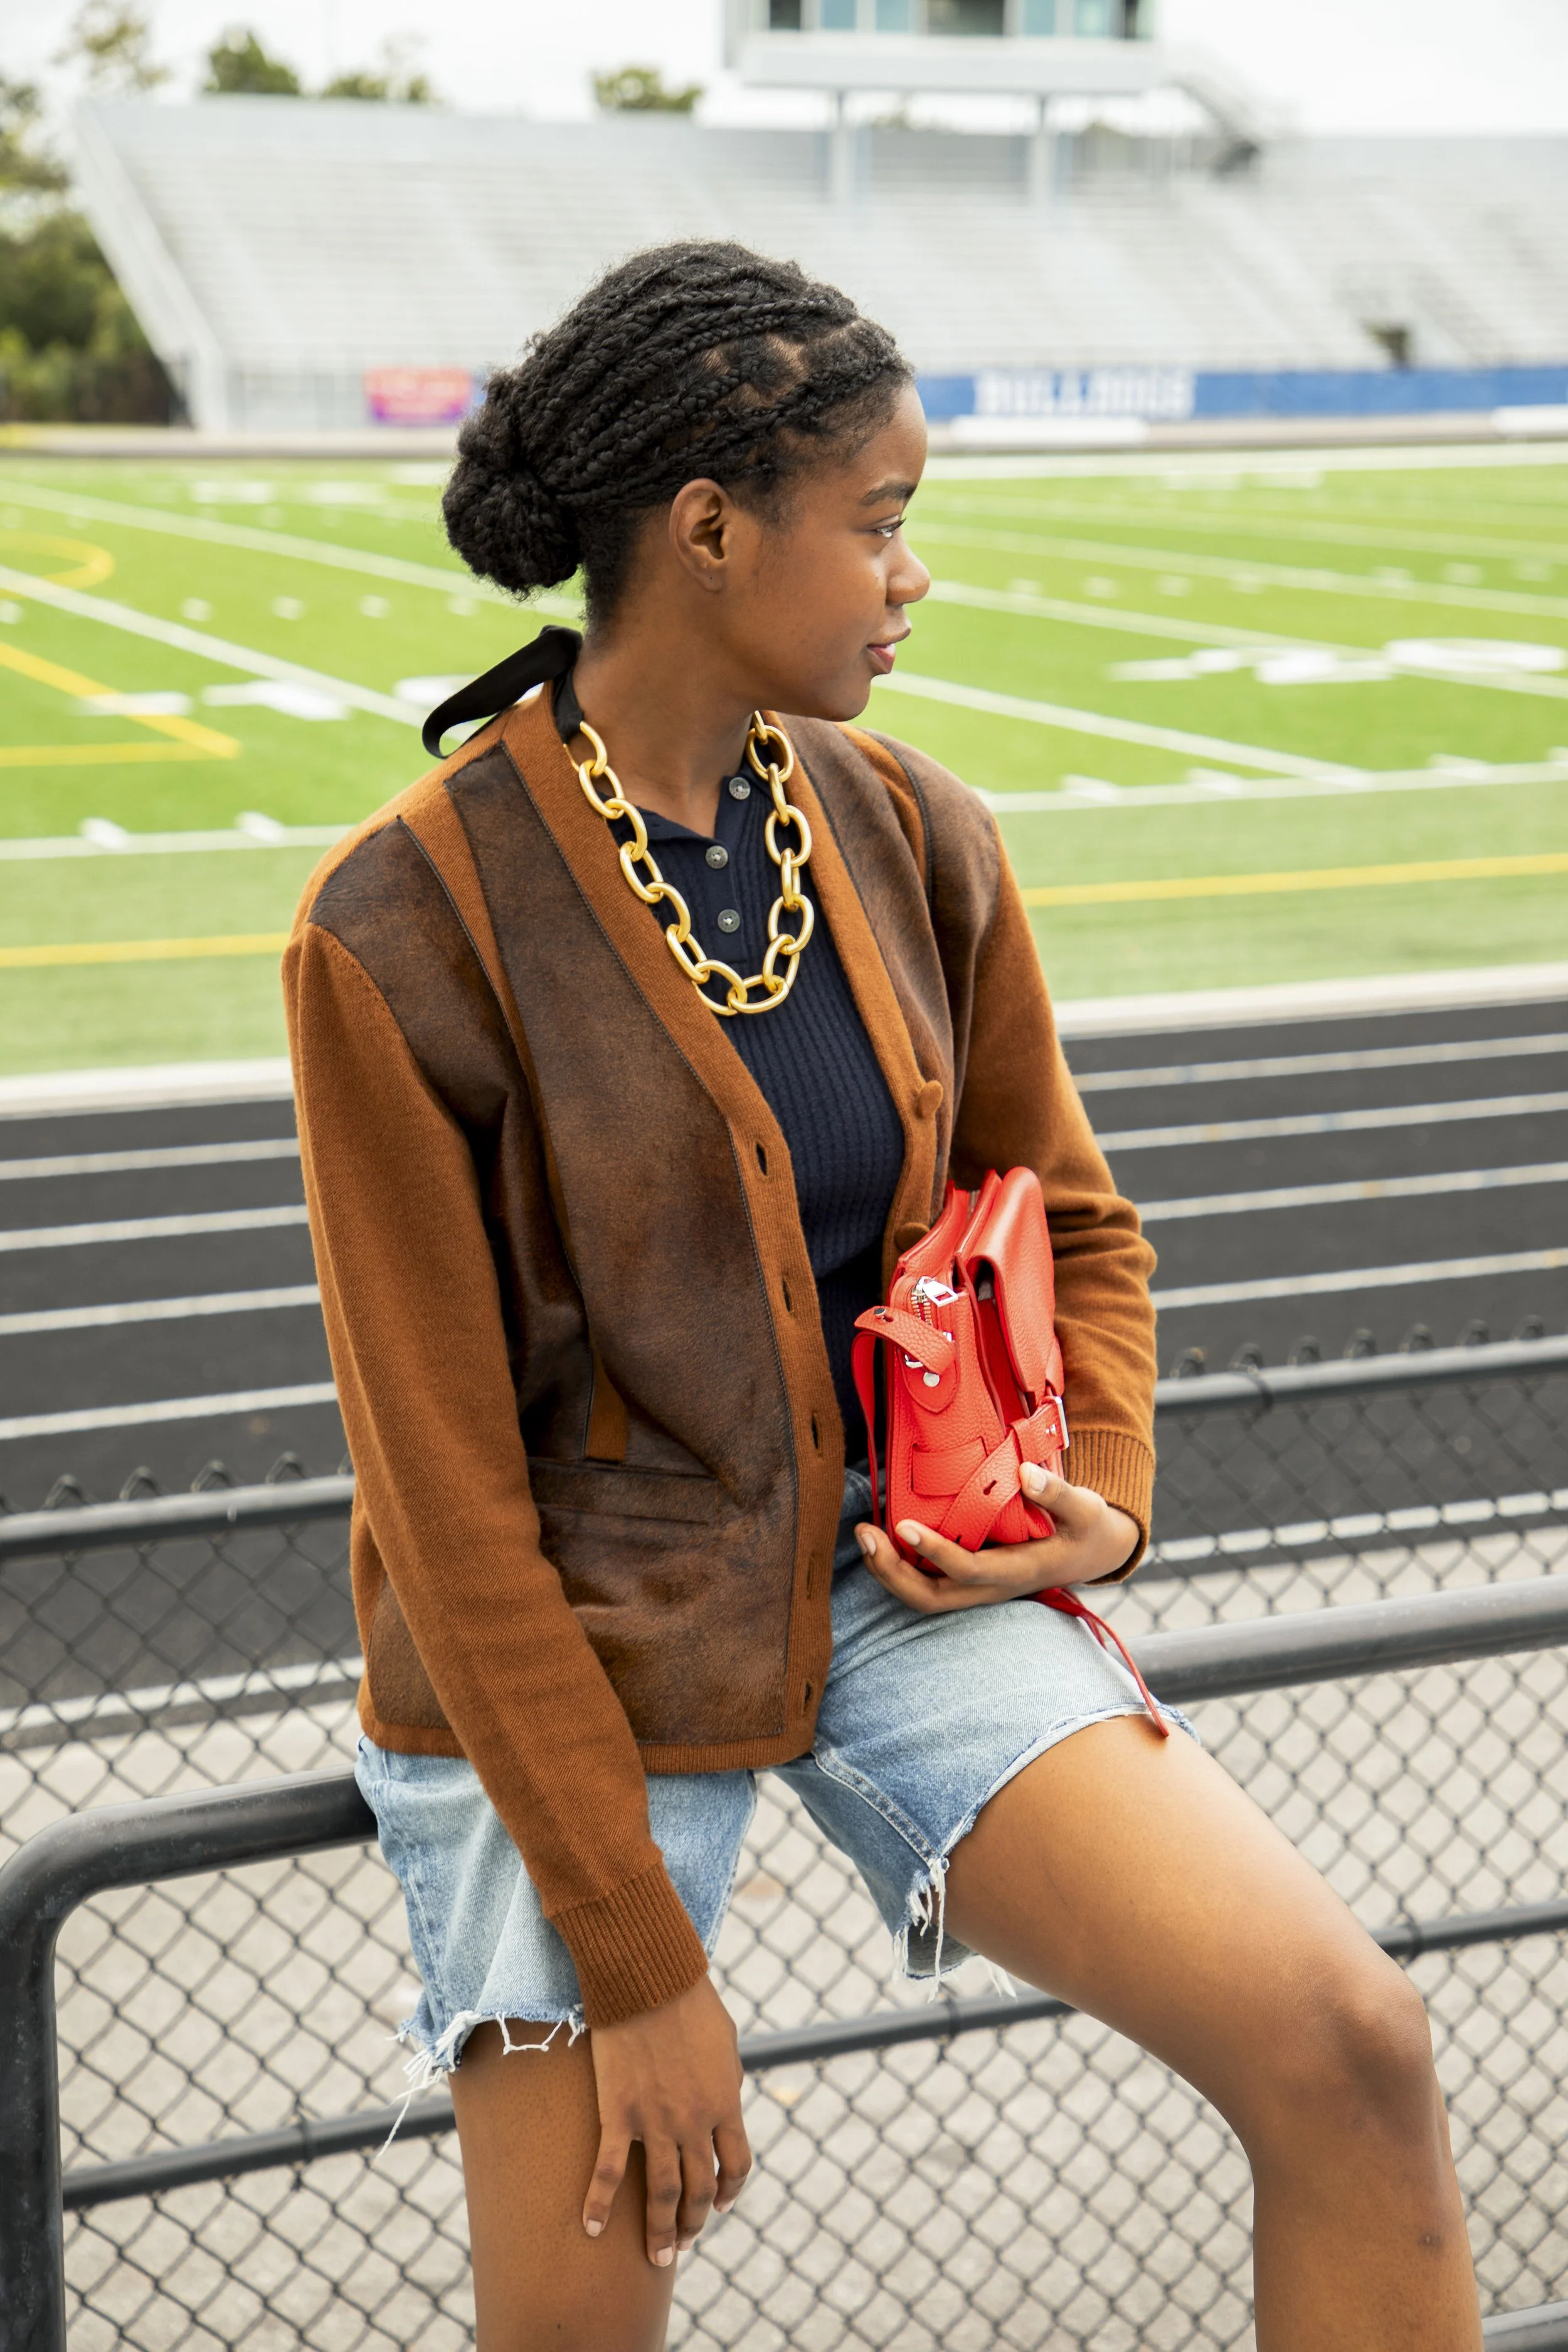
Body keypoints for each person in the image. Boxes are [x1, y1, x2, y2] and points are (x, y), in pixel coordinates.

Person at [284, 241, 1481, 2352]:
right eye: (885, 520)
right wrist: (639, 1964)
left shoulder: (914, 825)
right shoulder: (399, 923)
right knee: (577, 2328)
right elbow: (450, 1504)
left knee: (1350, 2044)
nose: (913, 574)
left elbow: (1076, 1220)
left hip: (879, 1578)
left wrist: (1094, 1488)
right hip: (568, 1638)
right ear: (711, 528)